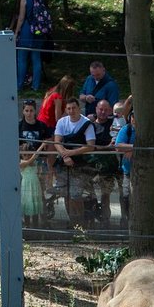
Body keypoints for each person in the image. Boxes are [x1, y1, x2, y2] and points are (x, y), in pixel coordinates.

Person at [52, 97, 95, 227]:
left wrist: (71, 153)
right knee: (66, 194)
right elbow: (56, 141)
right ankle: (72, 222)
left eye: (74, 108)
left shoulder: (87, 123)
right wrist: (65, 155)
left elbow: (90, 146)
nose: (71, 111)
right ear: (66, 109)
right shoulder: (61, 122)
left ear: (79, 108)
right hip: (63, 164)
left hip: (80, 165)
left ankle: (80, 224)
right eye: (69, 108)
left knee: (76, 195)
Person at [13, 0, 45, 92]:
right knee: (36, 59)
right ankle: (35, 86)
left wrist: (16, 32)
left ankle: (19, 85)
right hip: (38, 31)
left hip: (27, 30)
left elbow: (21, 18)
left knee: (21, 59)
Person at [19, 97, 53, 197]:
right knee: (24, 190)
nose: (29, 113)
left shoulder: (42, 126)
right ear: (23, 111)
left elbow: (49, 141)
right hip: (23, 163)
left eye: (31, 111)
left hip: (39, 162)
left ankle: (43, 210)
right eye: (26, 110)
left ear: (35, 111)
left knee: (40, 189)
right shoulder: (19, 126)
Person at [19, 140, 44, 228]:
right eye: (25, 154)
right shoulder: (21, 163)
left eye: (29, 154)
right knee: (27, 203)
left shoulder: (35, 162)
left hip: (35, 185)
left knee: (35, 204)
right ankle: (27, 224)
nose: (27, 156)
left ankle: (36, 225)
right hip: (26, 185)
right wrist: (41, 146)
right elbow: (31, 160)